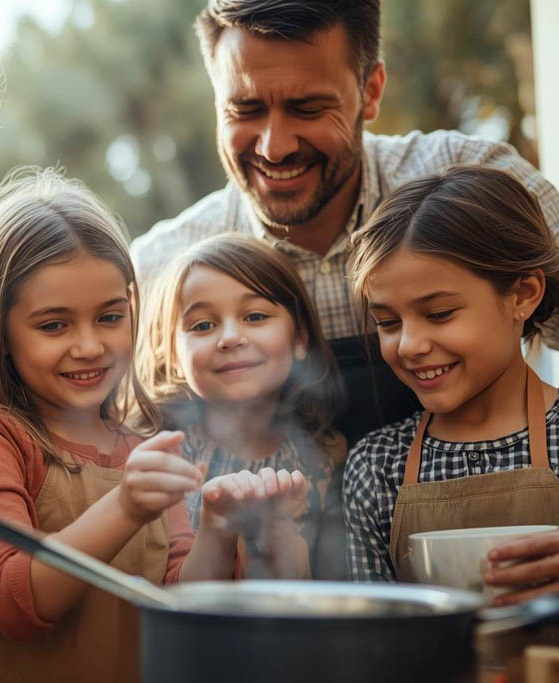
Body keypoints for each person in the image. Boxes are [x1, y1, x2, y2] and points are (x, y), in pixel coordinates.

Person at [130, 0, 559, 445]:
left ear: (371, 91)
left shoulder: (477, 185)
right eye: (245, 109)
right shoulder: (160, 269)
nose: (275, 148)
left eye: (307, 108)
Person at [0, 168, 308, 682]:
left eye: (109, 317)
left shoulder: (143, 447)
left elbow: (177, 602)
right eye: (54, 325)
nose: (90, 346)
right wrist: (126, 507)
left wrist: (218, 530)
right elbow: (15, 602)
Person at [344, 166, 559, 603]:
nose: (410, 345)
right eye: (387, 322)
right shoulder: (375, 467)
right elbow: (376, 633)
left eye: (439, 314)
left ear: (523, 294)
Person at [139, 233, 348, 579]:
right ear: (172, 355)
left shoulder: (323, 459)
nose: (231, 337)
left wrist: (279, 531)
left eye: (255, 316)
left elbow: (315, 589)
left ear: (299, 338)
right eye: (203, 325)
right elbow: (170, 593)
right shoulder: (159, 457)